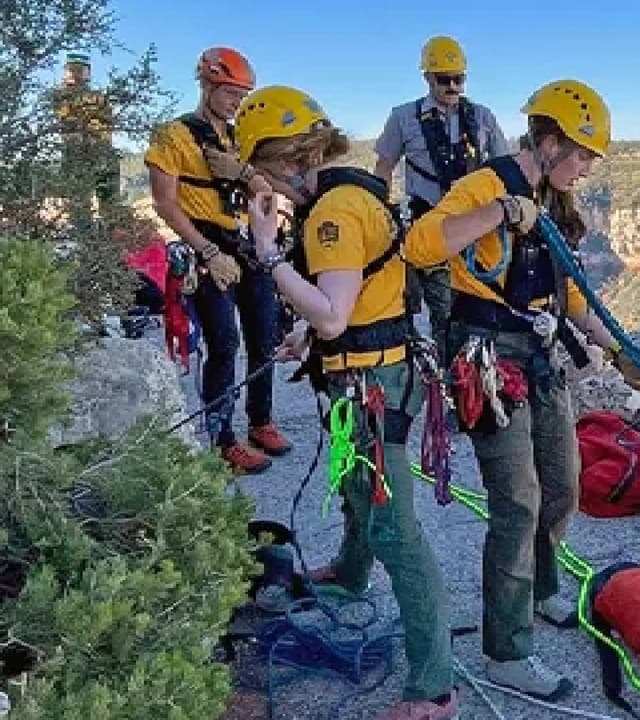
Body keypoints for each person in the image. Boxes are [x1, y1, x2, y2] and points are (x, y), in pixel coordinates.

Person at [404, 79, 640, 700]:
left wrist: (620, 351)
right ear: (550, 141)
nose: (588, 168)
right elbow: (421, 245)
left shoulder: (554, 201)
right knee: (517, 501)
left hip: (538, 354)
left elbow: (570, 297)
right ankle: (506, 652)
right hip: (488, 357)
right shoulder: (487, 185)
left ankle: (538, 590)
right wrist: (501, 212)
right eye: (583, 154)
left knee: (562, 484)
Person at [240, 84, 459, 720]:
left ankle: (435, 686)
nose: (262, 185)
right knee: (354, 488)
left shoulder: (330, 214)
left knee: (397, 529)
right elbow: (359, 292)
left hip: (369, 387)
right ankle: (350, 570)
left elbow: (334, 313)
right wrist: (305, 335)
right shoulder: (354, 193)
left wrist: (268, 253)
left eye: (262, 170)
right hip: (368, 377)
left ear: (287, 159)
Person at [145, 47, 292, 472]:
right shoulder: (172, 136)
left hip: (241, 239)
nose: (236, 103)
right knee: (224, 343)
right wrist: (207, 251)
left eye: (242, 96)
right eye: (230, 93)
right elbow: (165, 204)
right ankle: (222, 439)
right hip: (204, 241)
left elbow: (266, 192)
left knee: (265, 336)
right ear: (207, 85)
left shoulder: (238, 138)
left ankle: (260, 420)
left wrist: (243, 173)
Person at [374, 35, 510, 350]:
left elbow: (504, 168)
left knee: (479, 303)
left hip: (475, 226)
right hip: (429, 223)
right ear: (427, 78)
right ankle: (446, 365)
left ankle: (474, 363)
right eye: (444, 80)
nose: (452, 87)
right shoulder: (403, 118)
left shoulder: (482, 118)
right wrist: (380, 213)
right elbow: (384, 167)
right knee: (443, 308)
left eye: (458, 79)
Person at [55, 53, 118, 227]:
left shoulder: (98, 96)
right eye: (72, 69)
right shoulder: (62, 95)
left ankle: (109, 234)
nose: (75, 74)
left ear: (87, 72)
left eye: (79, 70)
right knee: (80, 206)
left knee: (108, 204)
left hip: (100, 153)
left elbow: (108, 123)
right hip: (79, 154)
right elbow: (66, 123)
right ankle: (86, 236)